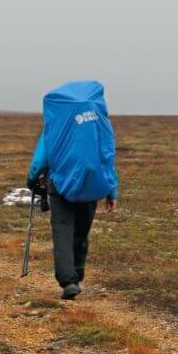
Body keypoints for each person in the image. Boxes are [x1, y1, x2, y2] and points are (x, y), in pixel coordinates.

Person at [26, 80, 118, 300]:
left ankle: (68, 281)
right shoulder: (100, 124)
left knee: (63, 231)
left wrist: (32, 180)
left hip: (60, 185)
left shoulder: (55, 125)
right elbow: (107, 156)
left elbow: (40, 159)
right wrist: (111, 190)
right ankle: (77, 275)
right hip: (91, 184)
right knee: (81, 232)